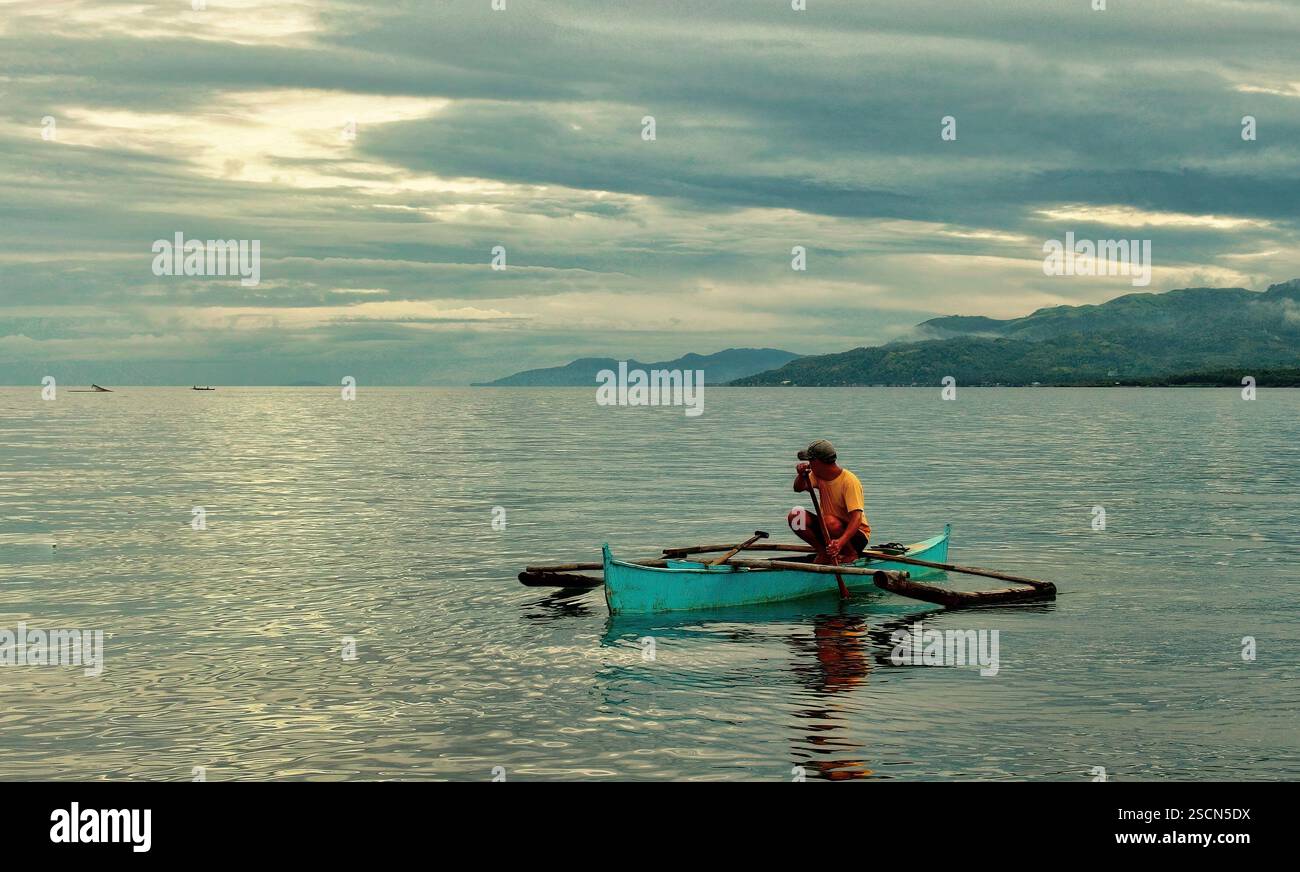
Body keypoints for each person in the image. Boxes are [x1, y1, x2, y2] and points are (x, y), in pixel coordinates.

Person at [787, 439, 870, 564]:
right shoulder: (816, 475)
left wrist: (840, 542)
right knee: (795, 515)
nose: (809, 463)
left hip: (854, 537)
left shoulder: (849, 481)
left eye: (811, 460)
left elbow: (856, 519)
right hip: (828, 531)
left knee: (829, 521)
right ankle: (824, 553)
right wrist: (801, 475)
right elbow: (798, 488)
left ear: (819, 462)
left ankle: (850, 553)